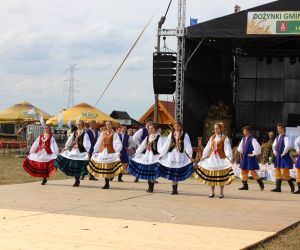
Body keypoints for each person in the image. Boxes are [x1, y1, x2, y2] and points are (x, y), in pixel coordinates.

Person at [193, 123, 235, 198]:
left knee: (220, 175)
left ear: (221, 129)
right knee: (212, 175)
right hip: (212, 158)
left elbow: (227, 148)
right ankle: (212, 192)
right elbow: (208, 147)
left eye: (217, 128)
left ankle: (221, 193)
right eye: (215, 128)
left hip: (220, 158)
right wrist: (203, 156)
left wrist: (229, 157)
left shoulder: (225, 138)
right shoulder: (212, 137)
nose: (215, 130)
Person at [158, 121, 194, 195]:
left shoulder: (184, 135)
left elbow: (187, 145)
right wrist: (162, 154)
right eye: (175, 126)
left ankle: (175, 188)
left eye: (178, 126)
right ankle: (174, 189)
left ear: (180, 127)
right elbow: (167, 145)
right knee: (173, 170)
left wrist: (190, 155)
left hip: (180, 155)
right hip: (172, 154)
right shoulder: (171, 134)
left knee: (177, 171)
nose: (176, 128)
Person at [87, 121, 123, 189]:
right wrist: (94, 151)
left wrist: (118, 151)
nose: (108, 126)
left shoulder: (114, 134)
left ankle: (107, 182)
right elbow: (99, 142)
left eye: (109, 124)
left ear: (111, 126)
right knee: (104, 167)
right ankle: (106, 183)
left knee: (108, 167)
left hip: (110, 152)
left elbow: (117, 143)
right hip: (103, 152)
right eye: (107, 125)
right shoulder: (102, 133)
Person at [54, 120, 90, 187]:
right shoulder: (74, 133)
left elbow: (86, 143)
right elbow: (69, 141)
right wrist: (65, 148)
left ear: (82, 126)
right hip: (74, 150)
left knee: (78, 166)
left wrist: (87, 151)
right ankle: (76, 180)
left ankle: (77, 180)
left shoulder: (85, 133)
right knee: (70, 162)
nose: (78, 126)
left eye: (79, 124)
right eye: (77, 124)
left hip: (80, 151)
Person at [128, 124, 161, 193]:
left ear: (155, 129)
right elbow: (142, 146)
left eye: (152, 128)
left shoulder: (159, 137)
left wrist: (161, 155)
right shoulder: (147, 137)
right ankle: (149, 186)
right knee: (148, 173)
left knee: (152, 172)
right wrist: (136, 153)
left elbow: (161, 147)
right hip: (147, 156)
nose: (150, 130)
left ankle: (151, 187)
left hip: (154, 157)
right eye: (149, 128)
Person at [237, 126, 264, 191]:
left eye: (244, 131)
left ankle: (261, 183)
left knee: (252, 171)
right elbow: (239, 148)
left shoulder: (253, 139)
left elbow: (258, 148)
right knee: (243, 171)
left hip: (250, 158)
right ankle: (245, 186)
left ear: (248, 131)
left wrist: (253, 154)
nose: (243, 132)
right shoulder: (243, 139)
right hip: (244, 157)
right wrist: (243, 151)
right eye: (243, 131)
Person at [271, 123, 295, 193]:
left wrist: (283, 153)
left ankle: (292, 186)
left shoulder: (286, 137)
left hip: (284, 157)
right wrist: (275, 152)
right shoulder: (277, 137)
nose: (278, 130)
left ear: (283, 129)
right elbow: (273, 146)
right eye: (277, 128)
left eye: (280, 128)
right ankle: (278, 188)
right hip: (278, 156)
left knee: (284, 173)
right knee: (277, 172)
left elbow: (287, 146)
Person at [132, 118, 153, 182]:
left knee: (151, 163)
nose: (150, 124)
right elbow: (135, 137)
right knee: (141, 162)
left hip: (151, 149)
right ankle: (137, 177)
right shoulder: (142, 130)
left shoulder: (153, 130)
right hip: (143, 149)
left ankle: (152, 178)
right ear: (146, 123)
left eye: (151, 123)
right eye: (149, 123)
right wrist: (139, 145)